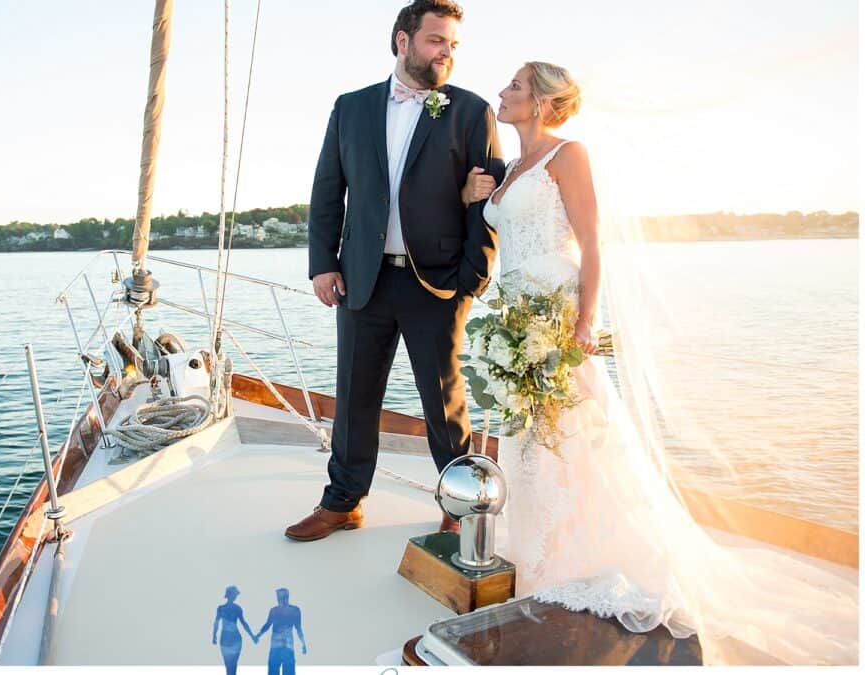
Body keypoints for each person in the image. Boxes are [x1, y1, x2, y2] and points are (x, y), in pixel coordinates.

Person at [460, 60, 858, 665]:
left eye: (514, 86)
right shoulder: (510, 169)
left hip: (555, 317)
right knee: (530, 444)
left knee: (572, 441)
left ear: (541, 101)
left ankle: (570, 564)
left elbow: (591, 243)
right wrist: (473, 198)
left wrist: (584, 321)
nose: (502, 92)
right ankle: (537, 559)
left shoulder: (569, 156)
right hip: (514, 317)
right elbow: (501, 233)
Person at [286, 0, 505, 542]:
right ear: (403, 40)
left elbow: (487, 203)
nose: (445, 53)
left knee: (443, 404)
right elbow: (326, 192)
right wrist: (322, 265)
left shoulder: (472, 111)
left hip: (437, 283)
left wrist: (471, 279)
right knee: (355, 398)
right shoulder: (351, 107)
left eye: (453, 45)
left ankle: (458, 504)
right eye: (436, 41)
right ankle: (343, 502)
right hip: (363, 280)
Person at [254, 588, 306, 675]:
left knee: (281, 671)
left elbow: (298, 628)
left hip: (282, 647)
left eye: (281, 597)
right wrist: (303, 644)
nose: (279, 600)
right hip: (282, 647)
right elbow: (267, 625)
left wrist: (303, 643)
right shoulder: (290, 610)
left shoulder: (288, 610)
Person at [211, 585, 256, 675]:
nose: (235, 596)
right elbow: (216, 622)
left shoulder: (237, 609)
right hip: (225, 639)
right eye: (234, 594)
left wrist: (252, 636)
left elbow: (244, 623)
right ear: (229, 595)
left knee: (233, 665)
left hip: (235, 639)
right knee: (228, 666)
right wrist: (214, 635)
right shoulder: (221, 609)